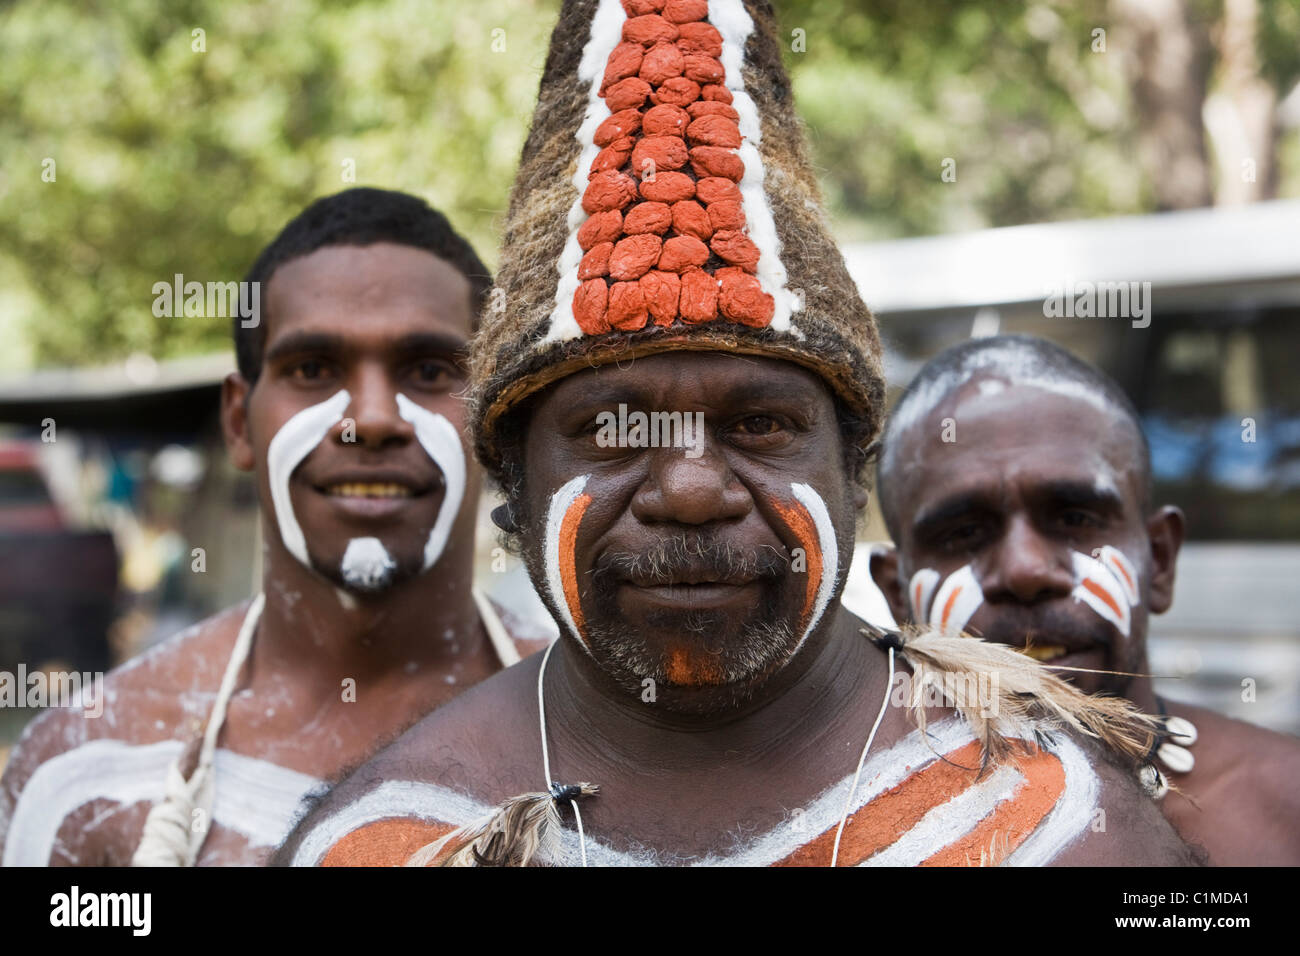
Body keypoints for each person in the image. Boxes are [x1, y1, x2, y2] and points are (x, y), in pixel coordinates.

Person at [274, 0, 1195, 867]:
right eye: (610, 429)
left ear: (853, 475)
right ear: (514, 482)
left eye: (759, 424)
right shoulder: (395, 840)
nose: (691, 491)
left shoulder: (1059, 831)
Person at [0, 188, 549, 866]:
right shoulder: (85, 773)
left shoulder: (614, 741)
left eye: (430, 369)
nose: (370, 419)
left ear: (491, 416)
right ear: (239, 422)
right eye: (313, 369)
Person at [867, 333, 1300, 866]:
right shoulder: (857, 836)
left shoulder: (1283, 809)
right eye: (962, 533)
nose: (1025, 571)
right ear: (897, 593)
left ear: (1159, 562)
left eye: (1075, 519)